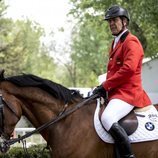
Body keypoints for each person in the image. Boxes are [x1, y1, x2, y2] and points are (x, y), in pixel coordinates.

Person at [93, 5, 152, 158]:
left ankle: (128, 156)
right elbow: (113, 71)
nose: (111, 24)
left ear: (124, 21)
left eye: (114, 20)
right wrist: (103, 89)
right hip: (116, 92)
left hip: (129, 93)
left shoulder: (131, 42)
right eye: (109, 21)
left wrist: (105, 85)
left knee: (107, 118)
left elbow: (128, 69)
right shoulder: (115, 43)